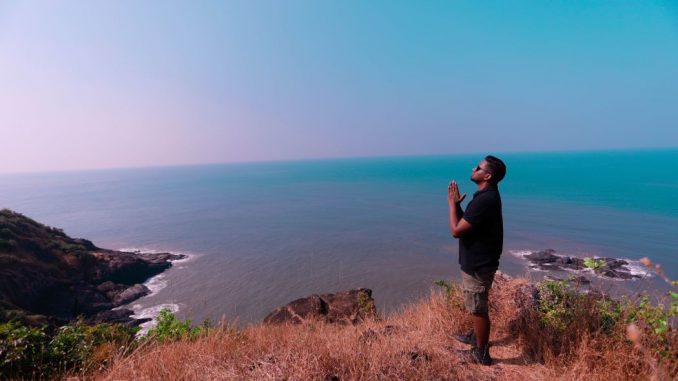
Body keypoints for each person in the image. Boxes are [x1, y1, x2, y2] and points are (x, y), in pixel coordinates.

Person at [447, 155, 506, 365]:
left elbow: (456, 230)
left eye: (479, 167)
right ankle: (476, 337)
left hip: (479, 264)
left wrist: (452, 205)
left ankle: (481, 353)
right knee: (476, 303)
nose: (474, 168)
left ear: (487, 175)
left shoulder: (484, 200)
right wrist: (460, 209)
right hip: (481, 261)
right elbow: (467, 225)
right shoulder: (486, 196)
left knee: (478, 308)